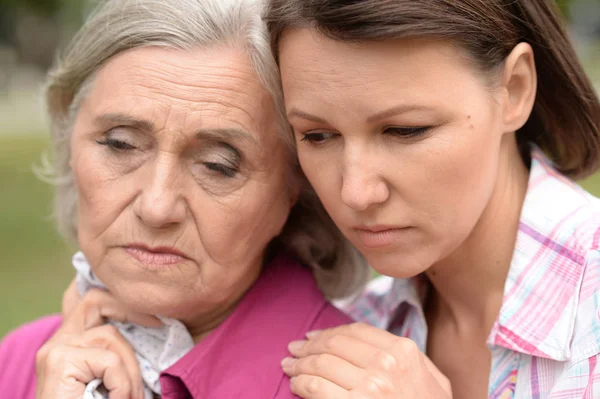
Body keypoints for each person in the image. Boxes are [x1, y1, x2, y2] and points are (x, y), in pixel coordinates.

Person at [0, 0, 369, 398]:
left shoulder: (355, 386)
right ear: (69, 137)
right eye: (121, 144)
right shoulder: (21, 358)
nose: (157, 207)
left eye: (217, 165)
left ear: (297, 185)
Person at [265, 0, 600, 398]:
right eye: (317, 135)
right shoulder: (345, 333)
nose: (356, 193)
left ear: (514, 89)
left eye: (406, 130)